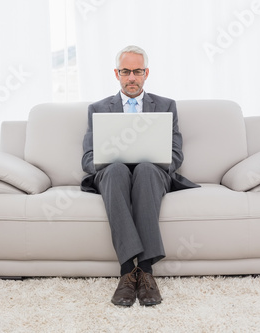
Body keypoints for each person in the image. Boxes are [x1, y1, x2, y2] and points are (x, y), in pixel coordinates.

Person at [80, 45, 198, 307]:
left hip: (151, 175)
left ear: (146, 73)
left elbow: (175, 154)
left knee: (145, 169)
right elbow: (88, 159)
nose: (131, 77)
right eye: (125, 71)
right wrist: (110, 160)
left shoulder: (166, 105)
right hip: (112, 175)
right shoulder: (97, 108)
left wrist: (154, 160)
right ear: (116, 73)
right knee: (117, 170)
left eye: (137, 71)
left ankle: (145, 271)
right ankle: (127, 272)